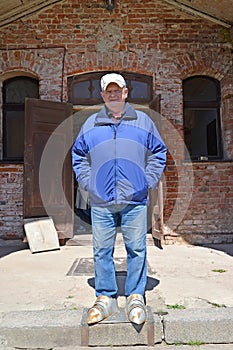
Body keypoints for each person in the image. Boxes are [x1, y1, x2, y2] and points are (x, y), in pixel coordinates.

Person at [72, 72, 167, 325]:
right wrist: (88, 182)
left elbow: (159, 151)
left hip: (134, 199)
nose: (113, 95)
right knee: (102, 250)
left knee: (136, 248)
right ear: (103, 95)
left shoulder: (143, 121)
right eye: (108, 91)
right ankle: (106, 297)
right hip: (102, 199)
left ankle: (136, 295)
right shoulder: (91, 124)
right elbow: (78, 155)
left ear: (126, 93)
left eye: (118, 90)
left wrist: (147, 181)